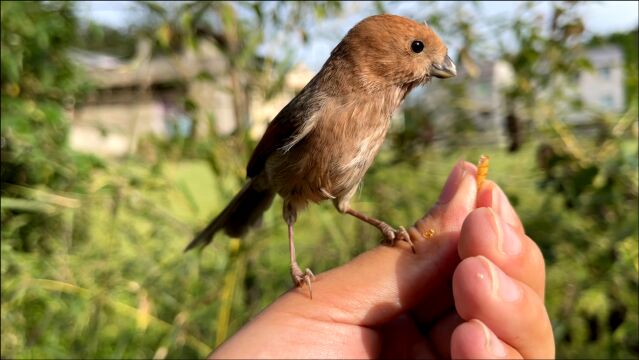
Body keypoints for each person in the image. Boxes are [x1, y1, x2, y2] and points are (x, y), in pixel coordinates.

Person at [210, 161, 555, 359]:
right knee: (291, 210)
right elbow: (268, 156)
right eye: (417, 49)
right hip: (278, 180)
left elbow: (342, 204)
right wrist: (295, 267)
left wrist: (385, 228)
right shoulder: (329, 102)